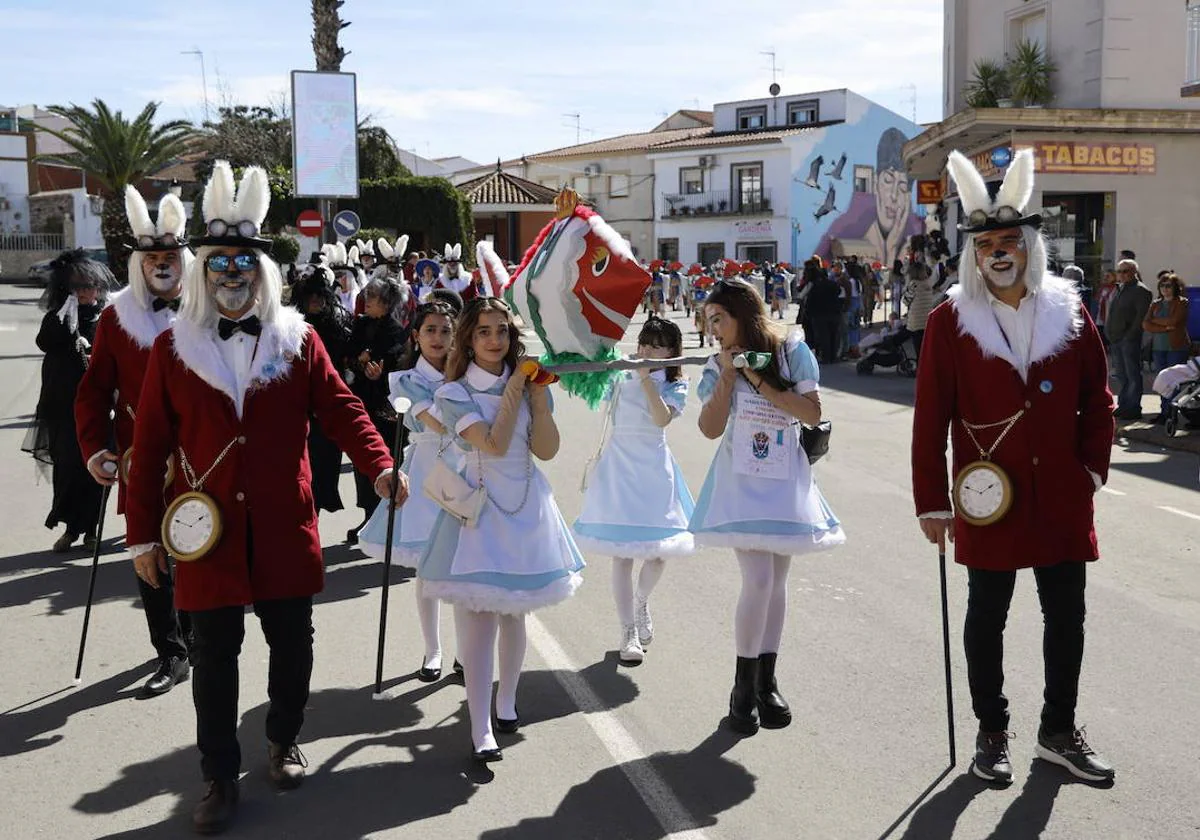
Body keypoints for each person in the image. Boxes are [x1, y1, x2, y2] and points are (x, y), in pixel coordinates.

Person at [123, 161, 408, 834]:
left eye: (241, 264)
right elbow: (151, 444)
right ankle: (218, 775)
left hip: (283, 523)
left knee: (293, 643)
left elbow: (343, 411)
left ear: (262, 271)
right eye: (217, 264)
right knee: (214, 656)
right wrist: (141, 535)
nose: (230, 276)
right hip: (207, 533)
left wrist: (380, 466)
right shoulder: (172, 348)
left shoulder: (299, 341)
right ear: (202, 272)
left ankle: (283, 738)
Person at [913, 148, 1115, 785]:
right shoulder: (950, 321)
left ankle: (1058, 731)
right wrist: (932, 501)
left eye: (1008, 240)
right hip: (986, 496)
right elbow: (930, 419)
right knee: (986, 615)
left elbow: (1098, 399)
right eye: (986, 243)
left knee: (1067, 614)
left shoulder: (1070, 311)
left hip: (1059, 492)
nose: (998, 251)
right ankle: (991, 730)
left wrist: (1092, 470)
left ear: (1029, 244)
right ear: (973, 254)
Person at [418, 297, 584, 763]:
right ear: (468, 340)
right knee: (480, 622)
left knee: (517, 614)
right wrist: (516, 388)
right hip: (477, 514)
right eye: (485, 332)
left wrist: (538, 398)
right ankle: (480, 727)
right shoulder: (452, 395)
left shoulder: (528, 385)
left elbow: (546, 450)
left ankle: (507, 702)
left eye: (503, 332)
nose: (496, 340)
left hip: (528, 506)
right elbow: (492, 445)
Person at [689, 279, 844, 735]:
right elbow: (709, 428)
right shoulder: (719, 365)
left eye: (719, 318)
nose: (713, 328)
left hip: (784, 478)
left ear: (742, 313)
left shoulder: (790, 351)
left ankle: (766, 682)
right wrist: (728, 374)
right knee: (757, 579)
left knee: (776, 580)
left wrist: (755, 375)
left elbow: (811, 413)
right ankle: (742, 686)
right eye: (708, 320)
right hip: (740, 481)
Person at [73, 186, 193, 696]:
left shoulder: (209, 314)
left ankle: (198, 636)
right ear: (138, 265)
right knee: (150, 552)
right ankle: (169, 651)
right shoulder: (115, 320)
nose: (162, 266)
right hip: (139, 458)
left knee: (195, 546)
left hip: (199, 459)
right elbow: (92, 391)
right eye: (152, 259)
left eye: (170, 257)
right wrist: (94, 449)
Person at [573, 316, 694, 664]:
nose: (648, 351)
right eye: (645, 343)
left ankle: (641, 602)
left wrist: (646, 381)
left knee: (659, 552)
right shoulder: (620, 374)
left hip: (655, 468)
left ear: (671, 351)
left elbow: (661, 419)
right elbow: (591, 388)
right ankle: (627, 630)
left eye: (657, 345)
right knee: (622, 554)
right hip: (620, 467)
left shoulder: (675, 384)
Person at [359, 298, 463, 680]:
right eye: (430, 330)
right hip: (425, 472)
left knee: (467, 564)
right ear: (416, 336)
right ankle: (432, 650)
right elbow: (438, 422)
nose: (438, 338)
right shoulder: (405, 380)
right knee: (428, 568)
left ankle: (467, 651)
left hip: (466, 471)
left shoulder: (467, 373)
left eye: (446, 330)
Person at [24, 249, 110, 552]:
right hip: (62, 408)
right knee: (67, 468)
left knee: (97, 470)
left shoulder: (106, 319)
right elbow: (44, 341)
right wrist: (67, 315)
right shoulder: (59, 316)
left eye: (92, 286)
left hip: (99, 409)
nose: (88, 292)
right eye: (80, 287)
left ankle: (89, 529)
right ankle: (70, 528)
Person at [345, 277, 411, 542]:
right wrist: (359, 364)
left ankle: (390, 521)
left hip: (387, 406)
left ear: (386, 302)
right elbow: (348, 355)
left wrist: (379, 375)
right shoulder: (360, 324)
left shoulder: (396, 331)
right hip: (362, 400)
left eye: (373, 297)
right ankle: (369, 517)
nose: (367, 300)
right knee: (363, 461)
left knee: (389, 459)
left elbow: (399, 367)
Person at [290, 263, 354, 514]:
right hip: (298, 408)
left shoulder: (338, 325)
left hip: (327, 406)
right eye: (310, 297)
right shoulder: (291, 327)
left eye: (319, 296)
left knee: (326, 465)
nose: (315, 301)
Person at [1105, 258, 1153, 420]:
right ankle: (1124, 405)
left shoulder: (1141, 291)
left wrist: (1130, 335)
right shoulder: (1118, 289)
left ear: (1134, 272)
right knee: (1121, 375)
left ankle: (1133, 407)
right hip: (1116, 338)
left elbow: (1140, 318)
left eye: (1125, 271)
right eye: (1119, 271)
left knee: (1132, 374)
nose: (1121, 275)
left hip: (1129, 340)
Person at [1142, 272, 1191, 423]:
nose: (1165, 289)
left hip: (1176, 348)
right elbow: (1145, 324)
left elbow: (1174, 321)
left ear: (1175, 287)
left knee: (1173, 381)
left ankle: (1172, 413)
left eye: (1168, 286)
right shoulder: (1155, 304)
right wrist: (1164, 327)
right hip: (1159, 348)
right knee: (1162, 381)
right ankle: (1164, 412)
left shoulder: (1182, 302)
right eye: (1162, 286)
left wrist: (1156, 322)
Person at [904, 253, 936, 361]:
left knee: (918, 348)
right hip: (927, 320)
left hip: (916, 322)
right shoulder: (928, 283)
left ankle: (919, 369)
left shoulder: (913, 284)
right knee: (925, 348)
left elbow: (905, 301)